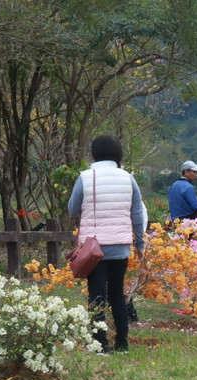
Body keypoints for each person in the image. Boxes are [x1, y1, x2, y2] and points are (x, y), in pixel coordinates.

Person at [68, 134, 146, 354]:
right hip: (120, 246)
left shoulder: (85, 177)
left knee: (96, 296)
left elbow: (73, 209)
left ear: (94, 153)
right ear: (117, 154)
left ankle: (101, 345)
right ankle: (122, 344)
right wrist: (139, 242)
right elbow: (137, 213)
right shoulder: (128, 177)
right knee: (117, 296)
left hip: (94, 248)